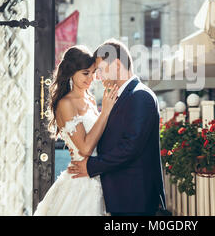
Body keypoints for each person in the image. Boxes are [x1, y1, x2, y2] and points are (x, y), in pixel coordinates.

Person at [67, 39, 166, 216]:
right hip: (122, 197)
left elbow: (130, 148)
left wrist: (90, 166)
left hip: (135, 199)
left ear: (118, 65)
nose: (97, 77)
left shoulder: (140, 96)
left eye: (100, 70)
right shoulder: (119, 97)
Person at [33, 45, 118, 216]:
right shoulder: (66, 104)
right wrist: (106, 112)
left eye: (93, 72)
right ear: (72, 72)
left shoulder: (90, 99)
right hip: (81, 182)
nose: (91, 78)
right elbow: (85, 148)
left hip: (100, 175)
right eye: (85, 73)